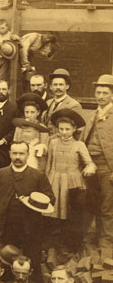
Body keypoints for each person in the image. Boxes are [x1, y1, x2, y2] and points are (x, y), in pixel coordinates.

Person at [0, 141, 55, 274]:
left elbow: (51, 198)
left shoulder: (38, 175)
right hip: (7, 228)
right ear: (10, 154)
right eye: (15, 153)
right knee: (6, 263)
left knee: (32, 264)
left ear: (28, 155)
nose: (18, 157)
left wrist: (34, 201)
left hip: (31, 229)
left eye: (21, 153)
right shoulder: (0, 174)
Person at [45, 109, 95, 255]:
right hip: (54, 179)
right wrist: (46, 181)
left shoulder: (79, 145)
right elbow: (48, 164)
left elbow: (89, 163)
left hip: (72, 182)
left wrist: (90, 168)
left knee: (70, 212)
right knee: (53, 211)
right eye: (61, 129)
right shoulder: (53, 143)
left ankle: (69, 244)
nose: (64, 132)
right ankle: (53, 241)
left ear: (74, 129)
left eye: (67, 129)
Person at [84, 73, 113, 265]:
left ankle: (107, 245)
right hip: (90, 167)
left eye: (105, 92)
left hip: (107, 168)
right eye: (98, 92)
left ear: (112, 95)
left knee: (107, 207)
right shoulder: (92, 115)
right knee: (90, 204)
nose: (100, 95)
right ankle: (90, 241)